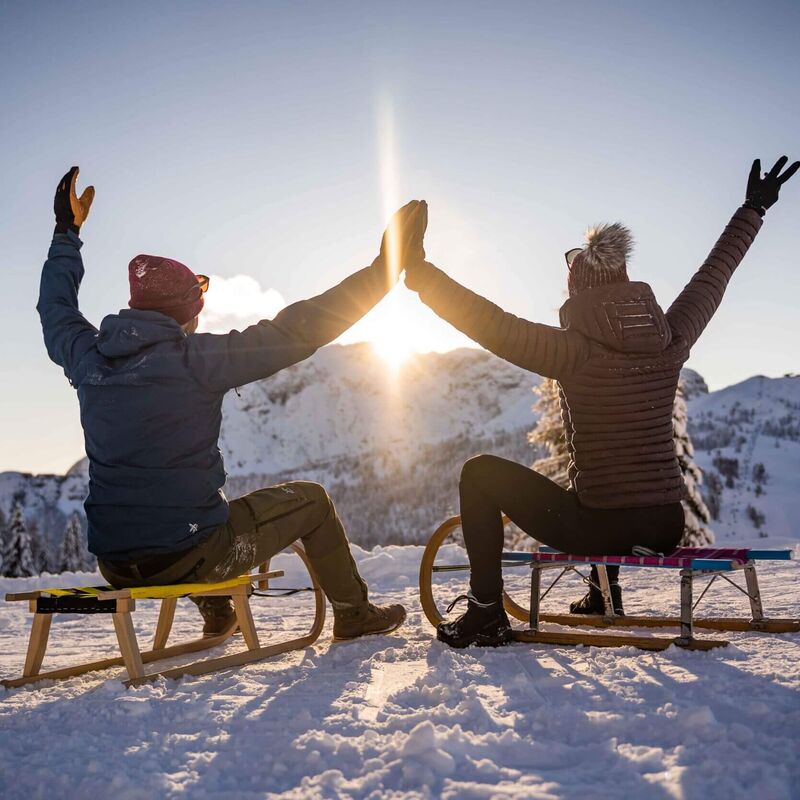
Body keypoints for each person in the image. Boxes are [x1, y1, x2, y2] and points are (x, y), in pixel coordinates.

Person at [405, 157, 798, 648]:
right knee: (601, 482)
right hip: (665, 524)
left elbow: (488, 322)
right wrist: (752, 210)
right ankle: (601, 591)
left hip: (600, 526)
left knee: (481, 473)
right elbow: (712, 280)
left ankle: (486, 610)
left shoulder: (572, 351)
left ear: (578, 288)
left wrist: (419, 272)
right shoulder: (669, 337)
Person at [38, 166, 428, 640]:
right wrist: (381, 273)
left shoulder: (89, 356)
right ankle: (353, 614)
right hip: (192, 553)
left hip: (116, 564)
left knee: (199, 513)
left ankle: (218, 611)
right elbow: (299, 329)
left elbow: (56, 309)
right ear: (188, 315)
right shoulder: (197, 360)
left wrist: (67, 232)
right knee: (312, 502)